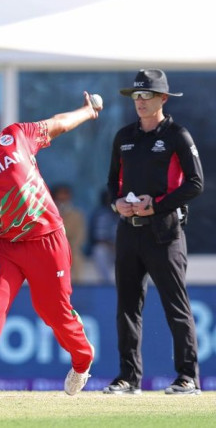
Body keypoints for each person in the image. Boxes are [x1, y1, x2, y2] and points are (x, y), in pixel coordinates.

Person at [0, 96, 100, 399]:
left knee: (52, 312)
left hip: (47, 238)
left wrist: (87, 111)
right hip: (6, 246)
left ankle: (83, 359)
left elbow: (57, 123)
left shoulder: (17, 134)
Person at [104, 68, 204, 395]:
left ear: (162, 98)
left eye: (147, 95)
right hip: (128, 232)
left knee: (176, 305)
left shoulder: (178, 135)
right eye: (137, 95)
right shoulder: (124, 137)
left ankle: (187, 377)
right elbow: (111, 184)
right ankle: (128, 378)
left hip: (165, 232)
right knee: (127, 307)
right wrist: (117, 204)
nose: (140, 101)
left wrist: (156, 205)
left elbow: (195, 183)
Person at [51, 183, 89, 284]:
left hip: (71, 247)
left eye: (65, 194)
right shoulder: (49, 212)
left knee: (75, 258)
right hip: (52, 247)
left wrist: (70, 246)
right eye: (60, 194)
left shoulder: (77, 214)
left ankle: (77, 289)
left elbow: (80, 234)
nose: (63, 197)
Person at [87, 189, 118, 284]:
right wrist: (113, 246)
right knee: (99, 250)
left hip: (122, 248)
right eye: (108, 199)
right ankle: (106, 283)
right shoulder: (101, 214)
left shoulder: (127, 213)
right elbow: (99, 239)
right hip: (108, 248)